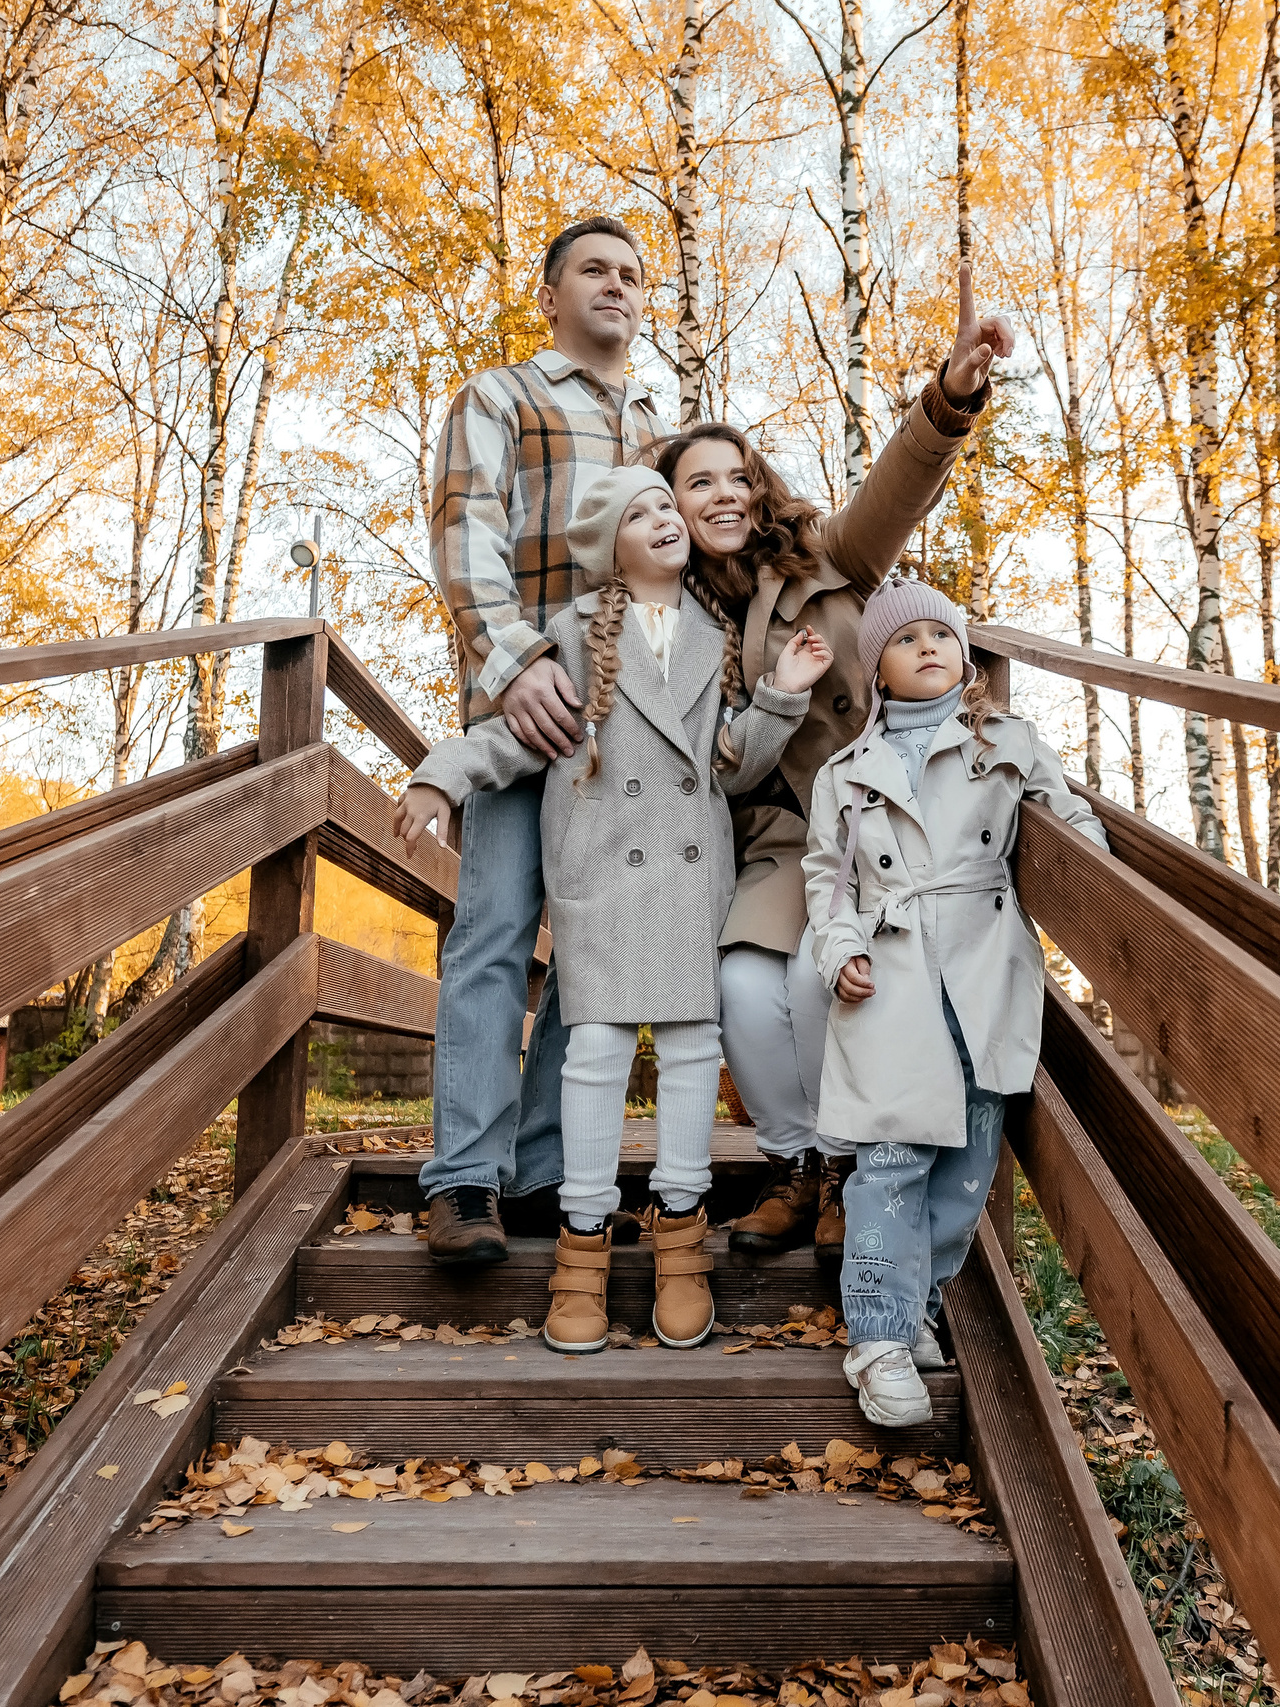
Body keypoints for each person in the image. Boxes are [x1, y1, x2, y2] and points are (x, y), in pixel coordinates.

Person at [396, 467, 833, 1350]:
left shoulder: (718, 638)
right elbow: (516, 739)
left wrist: (782, 692)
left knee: (688, 1049)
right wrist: (442, 773)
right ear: (607, 547)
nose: (666, 517)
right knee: (592, 1053)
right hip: (600, 878)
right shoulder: (573, 634)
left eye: (666, 505)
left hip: (686, 878)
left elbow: (731, 763)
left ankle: (680, 1236)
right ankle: (582, 1242)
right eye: (641, 512)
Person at [656, 264, 1014, 1266]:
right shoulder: (677, 622)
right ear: (670, 508)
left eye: (736, 475)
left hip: (876, 822)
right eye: (697, 482)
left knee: (822, 988)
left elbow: (892, 495)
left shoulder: (824, 560)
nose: (722, 494)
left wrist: (949, 397)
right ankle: (795, 1163)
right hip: (774, 838)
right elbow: (715, 771)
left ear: (760, 488)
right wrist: (770, 692)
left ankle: (849, 1169)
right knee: (739, 990)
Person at [801, 576, 1108, 1427]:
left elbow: (1070, 821)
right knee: (892, 1160)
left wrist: (1106, 892)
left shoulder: (1006, 739)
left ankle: (921, 1302)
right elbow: (827, 881)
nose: (929, 645)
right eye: (907, 639)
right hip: (891, 973)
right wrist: (842, 950)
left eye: (943, 633)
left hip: (982, 967)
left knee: (969, 1162)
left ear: (964, 654)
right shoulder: (846, 772)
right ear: (879, 672)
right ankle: (878, 1334)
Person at [422, 216, 666, 1266]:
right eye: (595, 271)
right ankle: (463, 1180)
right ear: (551, 294)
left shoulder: (664, 426)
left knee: (597, 960)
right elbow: (463, 534)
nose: (616, 287)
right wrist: (516, 666)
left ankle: (544, 1171)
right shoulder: (501, 398)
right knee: (494, 933)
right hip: (524, 711)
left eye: (632, 276)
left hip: (634, 738)